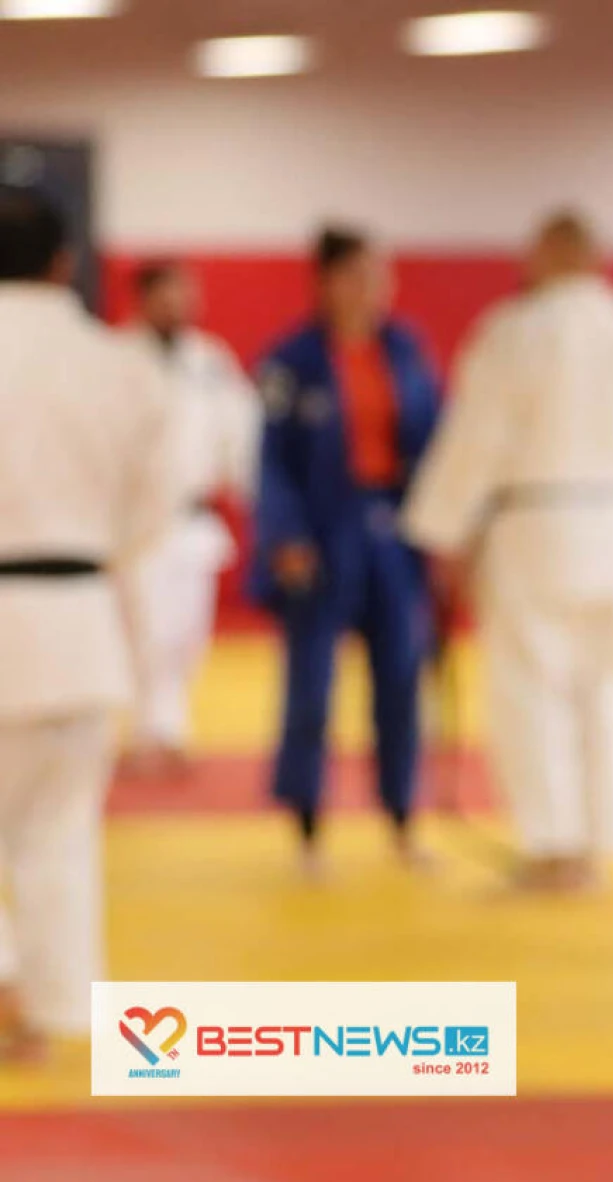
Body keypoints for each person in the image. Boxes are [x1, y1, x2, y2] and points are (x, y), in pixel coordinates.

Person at [402, 211, 613, 891]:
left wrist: (443, 530)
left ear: (550, 254)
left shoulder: (516, 332)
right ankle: (597, 845)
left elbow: (477, 438)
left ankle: (554, 846)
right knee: (604, 688)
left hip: (536, 526)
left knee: (531, 685)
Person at [0, 187, 176, 1061]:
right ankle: (56, 1005)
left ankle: (6, 988)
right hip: (78, 619)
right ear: (66, 263)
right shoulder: (122, 365)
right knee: (59, 831)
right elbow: (154, 510)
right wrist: (90, 553)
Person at [251, 226, 441, 874]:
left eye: (380, 275)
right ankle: (307, 827)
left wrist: (445, 533)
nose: (373, 289)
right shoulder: (292, 361)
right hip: (322, 531)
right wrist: (285, 535)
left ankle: (402, 819)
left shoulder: (406, 352)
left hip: (394, 531)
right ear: (326, 281)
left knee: (402, 679)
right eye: (358, 275)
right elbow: (271, 461)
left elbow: (437, 443)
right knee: (311, 683)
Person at [118, 260, 260, 776]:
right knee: (146, 630)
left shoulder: (210, 361)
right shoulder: (118, 358)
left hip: (195, 515)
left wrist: (249, 488)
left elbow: (240, 429)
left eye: (184, 296)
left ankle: (173, 729)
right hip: (138, 519)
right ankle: (147, 733)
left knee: (187, 633)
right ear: (143, 300)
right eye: (166, 296)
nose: (177, 306)